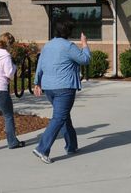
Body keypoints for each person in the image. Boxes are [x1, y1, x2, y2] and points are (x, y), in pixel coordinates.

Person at [31, 19, 91, 164]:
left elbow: (40, 64)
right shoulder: (68, 46)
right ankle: (42, 148)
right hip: (64, 88)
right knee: (59, 118)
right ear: (69, 32)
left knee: (63, 116)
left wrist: (37, 83)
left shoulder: (48, 45)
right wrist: (84, 44)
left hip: (49, 87)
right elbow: (85, 59)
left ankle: (71, 146)